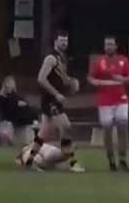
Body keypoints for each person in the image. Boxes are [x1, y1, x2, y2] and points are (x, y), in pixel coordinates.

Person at [24, 30, 85, 173]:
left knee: (45, 131)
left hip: (53, 99)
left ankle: (30, 160)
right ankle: (72, 163)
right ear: (55, 42)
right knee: (65, 126)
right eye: (61, 40)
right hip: (49, 99)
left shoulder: (62, 59)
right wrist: (56, 93)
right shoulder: (51, 58)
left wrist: (71, 84)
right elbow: (41, 78)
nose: (64, 43)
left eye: (66, 41)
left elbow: (60, 78)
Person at [87, 35, 129, 172]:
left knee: (122, 125)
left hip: (120, 98)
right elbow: (90, 76)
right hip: (104, 99)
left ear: (115, 46)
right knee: (107, 129)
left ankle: (123, 158)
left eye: (111, 44)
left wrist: (122, 79)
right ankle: (111, 159)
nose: (108, 47)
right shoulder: (98, 61)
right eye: (106, 45)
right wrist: (93, 81)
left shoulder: (123, 60)